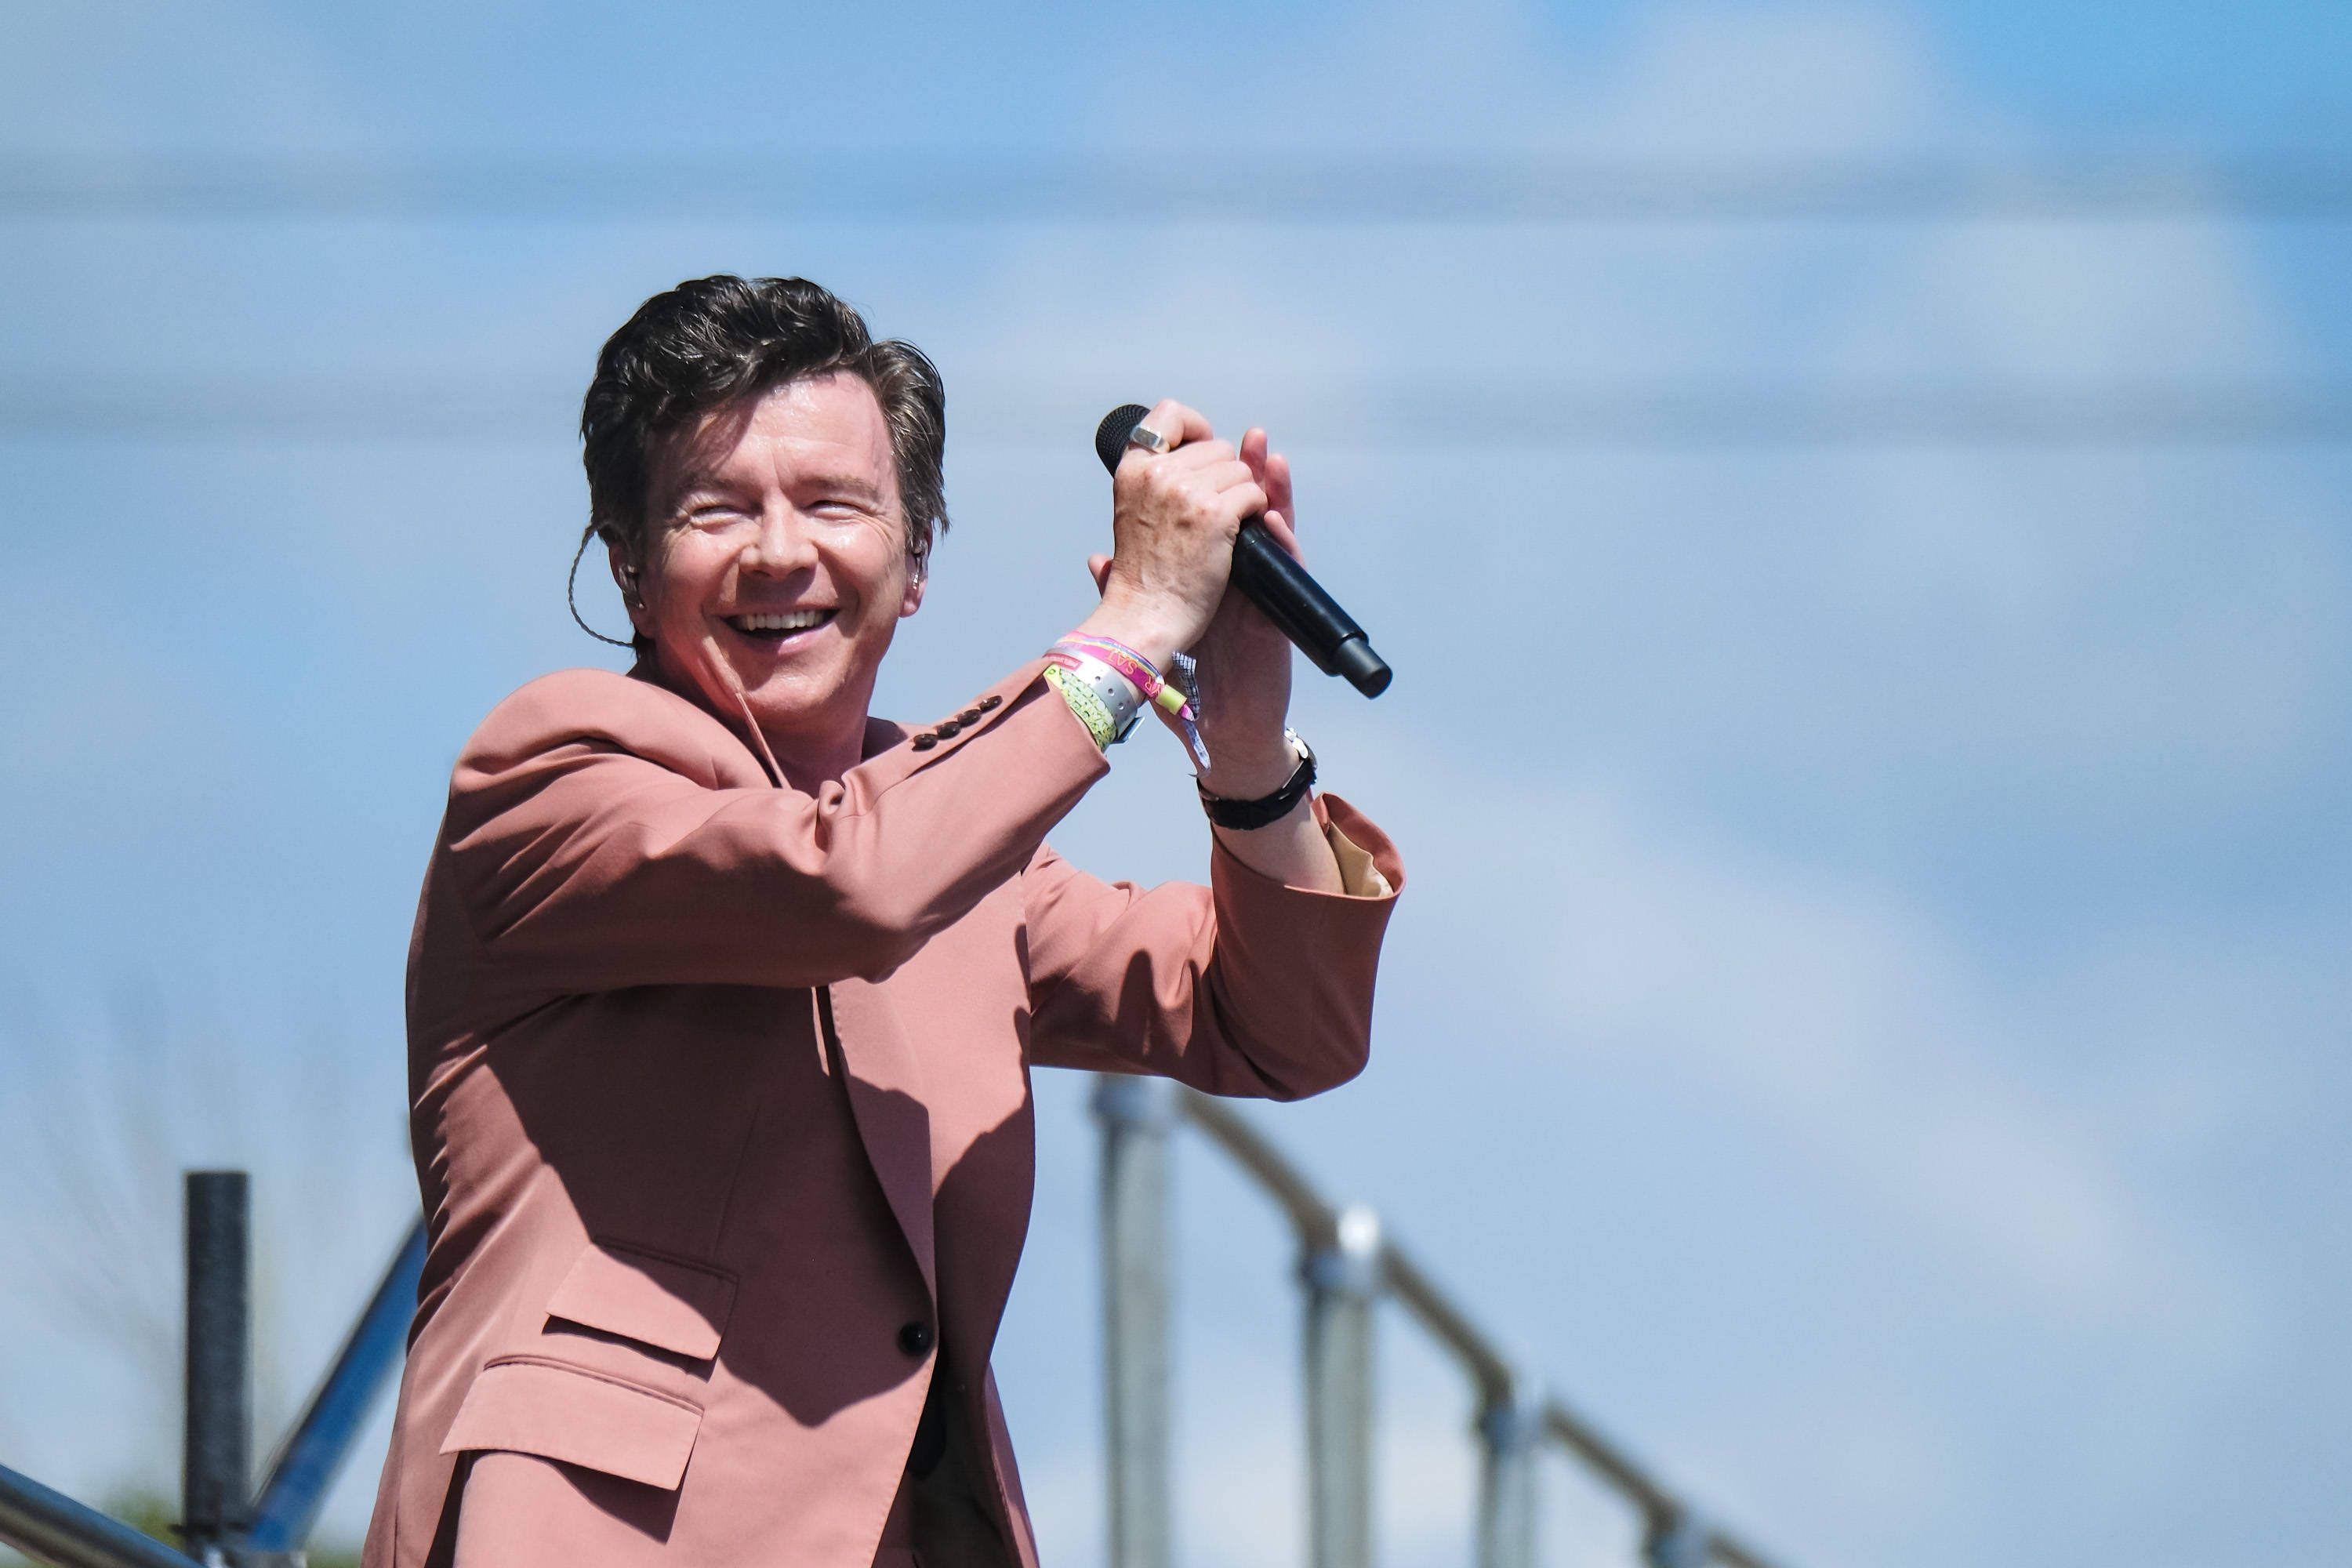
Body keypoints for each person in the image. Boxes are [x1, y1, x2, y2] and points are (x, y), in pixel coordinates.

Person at [361, 274, 1403, 1568]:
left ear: (916, 564)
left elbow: (1279, 1027)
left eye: (836, 505)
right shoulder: (555, 768)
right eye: (715, 509)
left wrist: (1247, 747)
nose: (780, 551)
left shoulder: (970, 854)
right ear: (630, 570)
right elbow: (848, 883)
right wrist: (1129, 634)